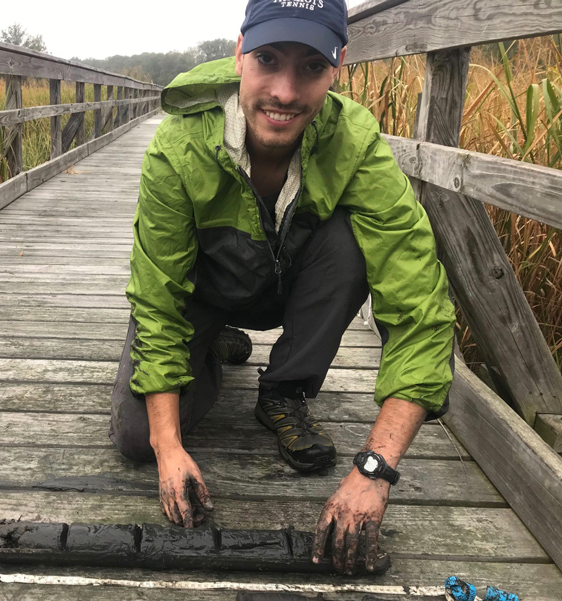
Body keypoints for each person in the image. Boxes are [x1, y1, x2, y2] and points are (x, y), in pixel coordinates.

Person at [109, 0, 456, 576]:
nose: (286, 92)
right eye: (268, 59)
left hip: (289, 285)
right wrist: (169, 448)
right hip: (205, 292)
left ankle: (284, 390)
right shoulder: (178, 146)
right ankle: (215, 345)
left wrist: (376, 469)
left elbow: (420, 302)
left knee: (351, 242)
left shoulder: (356, 142)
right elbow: (157, 295)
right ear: (239, 51)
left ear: (338, 65)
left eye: (311, 66)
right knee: (136, 438)